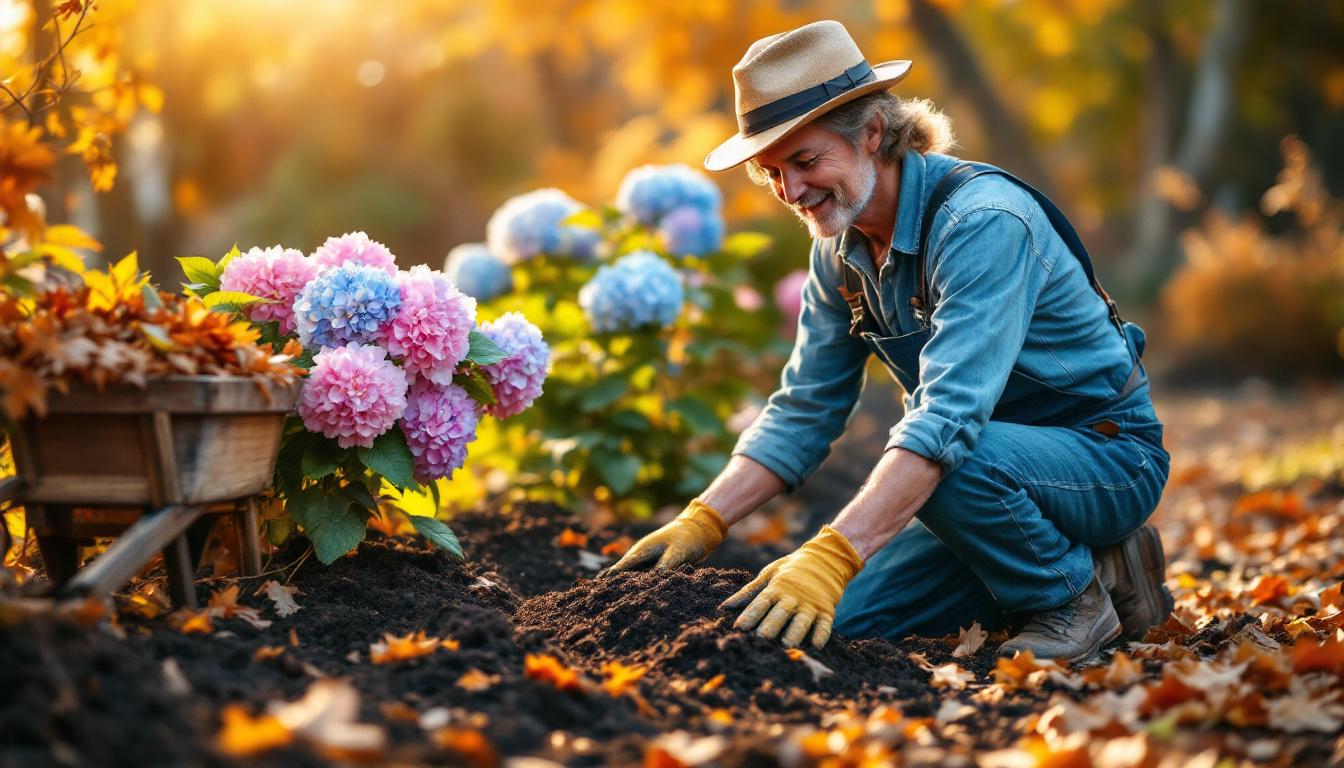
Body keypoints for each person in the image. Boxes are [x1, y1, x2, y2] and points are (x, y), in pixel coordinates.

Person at [605, 20, 1172, 663]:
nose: (791, 192)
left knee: (950, 464)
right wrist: (703, 519)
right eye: (771, 173)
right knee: (843, 620)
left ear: (872, 133)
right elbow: (804, 408)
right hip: (982, 474)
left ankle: (1071, 601)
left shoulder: (981, 223)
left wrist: (834, 551)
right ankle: (1106, 565)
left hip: (1102, 457)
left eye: (805, 161)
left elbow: (948, 419)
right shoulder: (839, 253)